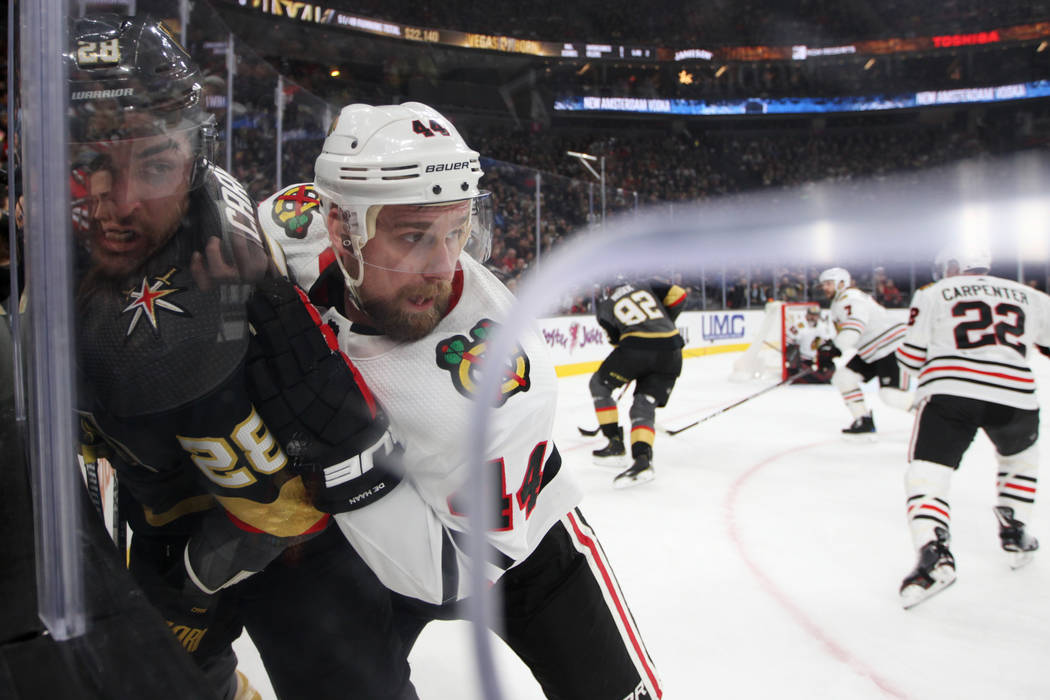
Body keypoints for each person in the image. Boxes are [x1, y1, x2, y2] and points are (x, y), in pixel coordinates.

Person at [257, 101, 663, 699]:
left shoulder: (501, 384)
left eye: (457, 231)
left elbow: (450, 576)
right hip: (361, 553)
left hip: (513, 549)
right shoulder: (295, 224)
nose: (445, 266)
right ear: (340, 230)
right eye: (416, 236)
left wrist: (348, 460)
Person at [69, 15, 414, 700]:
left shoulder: (175, 337)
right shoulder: (188, 193)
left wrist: (187, 591)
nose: (117, 195)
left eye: (149, 160)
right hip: (205, 493)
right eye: (84, 159)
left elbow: (276, 514)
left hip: (272, 535)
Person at [894, 246, 1048, 608]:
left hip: (952, 392)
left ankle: (934, 555)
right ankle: (1015, 530)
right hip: (1017, 395)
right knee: (1019, 463)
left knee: (927, 475)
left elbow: (910, 359)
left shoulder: (933, 293)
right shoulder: (1031, 294)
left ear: (953, 266)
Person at [589, 275, 687, 487]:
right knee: (644, 404)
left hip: (636, 350)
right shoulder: (645, 283)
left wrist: (633, 365)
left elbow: (619, 342)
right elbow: (679, 295)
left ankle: (615, 443)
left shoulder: (605, 306)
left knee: (599, 385)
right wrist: (665, 321)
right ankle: (642, 459)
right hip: (672, 350)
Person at [816, 266, 912, 436]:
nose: (824, 288)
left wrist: (834, 350)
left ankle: (936, 417)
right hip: (872, 350)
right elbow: (849, 332)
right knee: (843, 378)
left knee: (891, 396)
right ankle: (863, 421)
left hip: (891, 346)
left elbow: (854, 328)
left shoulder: (850, 297)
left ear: (841, 284)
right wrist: (831, 349)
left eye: (828, 283)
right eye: (823, 284)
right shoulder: (839, 302)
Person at [785, 305, 833, 383]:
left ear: (818, 316)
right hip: (801, 361)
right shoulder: (799, 325)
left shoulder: (823, 327)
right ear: (806, 314)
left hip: (815, 361)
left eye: (815, 315)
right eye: (811, 314)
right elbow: (788, 342)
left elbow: (826, 343)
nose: (812, 317)